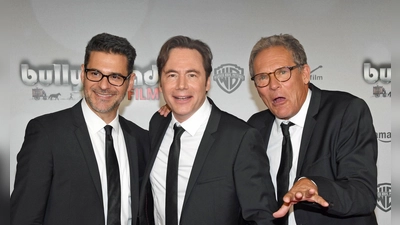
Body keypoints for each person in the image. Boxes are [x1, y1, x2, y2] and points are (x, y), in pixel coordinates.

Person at [11, 33, 149, 225]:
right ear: (83, 73)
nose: (103, 85)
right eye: (95, 73)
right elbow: (24, 217)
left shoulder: (142, 140)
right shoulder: (46, 133)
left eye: (115, 77)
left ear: (130, 81)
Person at [138, 35, 278, 225]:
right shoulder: (157, 123)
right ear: (160, 83)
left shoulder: (240, 138)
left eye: (192, 75)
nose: (181, 85)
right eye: (172, 75)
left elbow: (262, 218)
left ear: (207, 82)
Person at [247, 34, 378, 225]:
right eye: (262, 78)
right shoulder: (254, 127)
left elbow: (362, 192)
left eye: (282, 72)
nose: (273, 85)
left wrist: (316, 187)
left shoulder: (346, 112)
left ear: (305, 74)